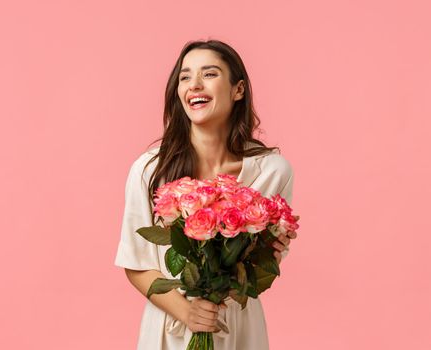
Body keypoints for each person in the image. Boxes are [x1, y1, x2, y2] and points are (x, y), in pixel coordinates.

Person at [114, 39, 298, 350]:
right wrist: (188, 312)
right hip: (169, 327)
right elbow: (136, 262)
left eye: (209, 74)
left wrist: (270, 257)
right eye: (185, 77)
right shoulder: (149, 170)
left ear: (238, 90)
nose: (194, 85)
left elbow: (257, 271)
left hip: (238, 325)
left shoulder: (272, 171)